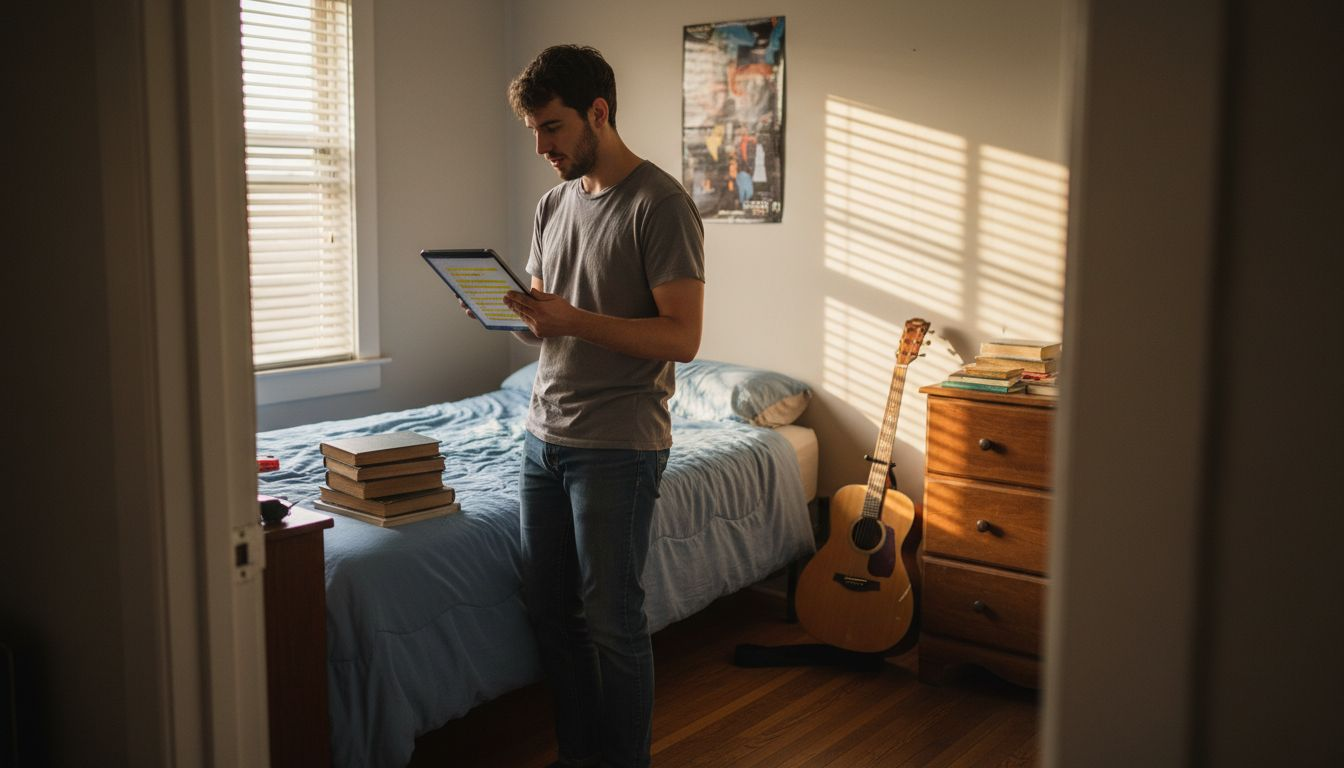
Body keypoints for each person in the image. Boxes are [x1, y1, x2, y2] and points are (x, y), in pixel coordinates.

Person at [502, 44, 705, 768]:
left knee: (613, 623)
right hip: (541, 436)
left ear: (598, 112)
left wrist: (572, 320)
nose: (542, 147)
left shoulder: (661, 204)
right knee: (553, 617)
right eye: (533, 131)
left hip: (619, 446)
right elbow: (549, 322)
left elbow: (683, 336)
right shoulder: (552, 204)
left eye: (552, 128)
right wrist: (521, 321)